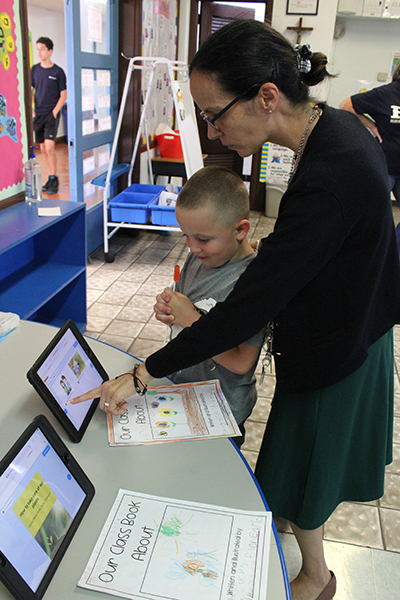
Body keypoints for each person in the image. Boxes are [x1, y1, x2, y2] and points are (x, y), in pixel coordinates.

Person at [72, 20, 400, 600]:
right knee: (295, 468)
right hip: (352, 324)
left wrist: (142, 374)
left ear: (267, 96)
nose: (213, 129)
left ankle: (314, 578)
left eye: (215, 113)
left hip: (341, 346)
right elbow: (322, 246)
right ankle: (302, 552)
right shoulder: (336, 130)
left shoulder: (331, 169)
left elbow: (243, 313)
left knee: (306, 470)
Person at [154, 166, 265, 447]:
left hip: (222, 409)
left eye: (203, 239)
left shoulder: (253, 283)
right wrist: (170, 311)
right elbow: (183, 311)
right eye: (186, 236)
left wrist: (190, 317)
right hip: (184, 391)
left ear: (240, 230)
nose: (192, 247)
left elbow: (241, 362)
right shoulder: (198, 258)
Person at [339, 61, 400, 206]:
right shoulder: (386, 94)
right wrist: (371, 126)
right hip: (385, 166)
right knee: (373, 211)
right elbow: (346, 105)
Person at [31, 37, 67, 194]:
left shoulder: (58, 72)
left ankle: (54, 178)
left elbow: (63, 95)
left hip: (50, 115)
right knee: (43, 149)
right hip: (37, 114)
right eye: (37, 49)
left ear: (50, 51)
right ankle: (49, 179)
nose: (39, 52)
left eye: (42, 49)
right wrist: (32, 110)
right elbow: (30, 90)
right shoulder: (35, 70)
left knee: (50, 147)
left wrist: (54, 112)